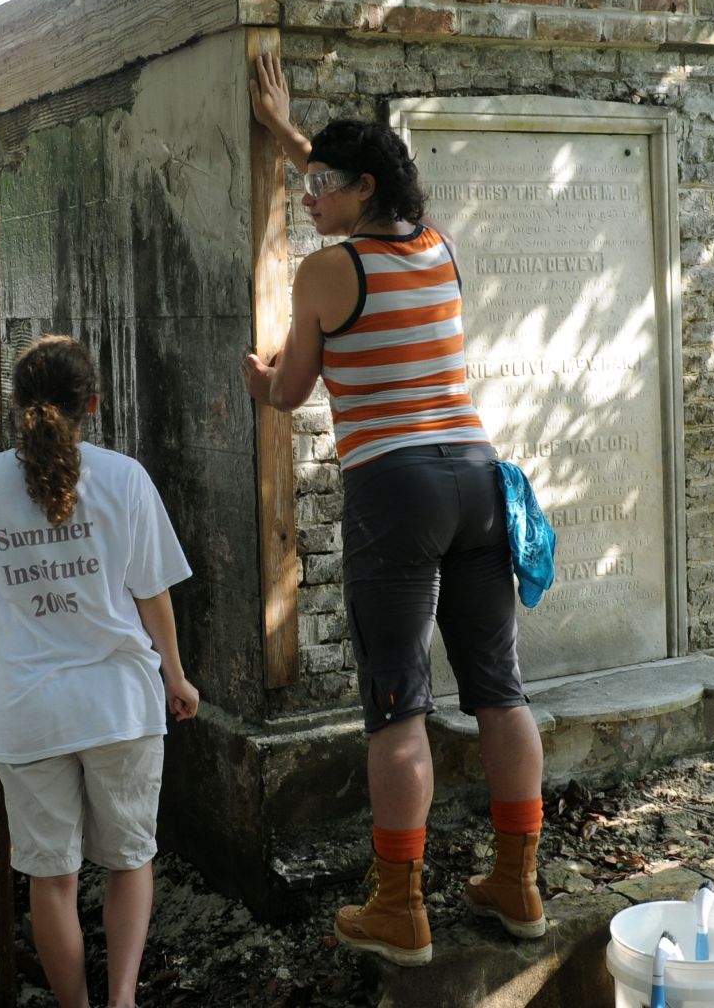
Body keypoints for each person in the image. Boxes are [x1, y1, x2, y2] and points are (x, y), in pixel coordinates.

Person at [240, 54, 547, 966]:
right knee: (498, 687)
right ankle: (517, 883)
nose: (307, 197)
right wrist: (293, 136)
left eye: (319, 186)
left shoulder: (327, 273)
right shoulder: (439, 247)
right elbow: (373, 194)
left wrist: (261, 381)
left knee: (397, 707)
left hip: (395, 488)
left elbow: (293, 391)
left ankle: (399, 906)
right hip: (478, 478)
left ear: (358, 189)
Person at [0, 335, 199, 1008]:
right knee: (130, 859)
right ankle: (123, 1002)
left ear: (15, 405)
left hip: (31, 714)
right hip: (120, 703)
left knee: (51, 878)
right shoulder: (124, 477)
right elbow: (152, 592)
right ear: (94, 405)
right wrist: (176, 676)